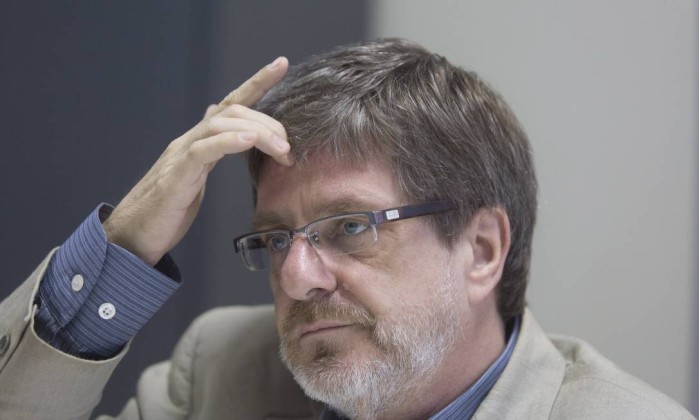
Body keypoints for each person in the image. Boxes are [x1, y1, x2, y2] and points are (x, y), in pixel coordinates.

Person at [0, 38, 693, 420]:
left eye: (351, 227)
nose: (296, 276)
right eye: (276, 238)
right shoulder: (223, 370)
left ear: (481, 250)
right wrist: (124, 245)